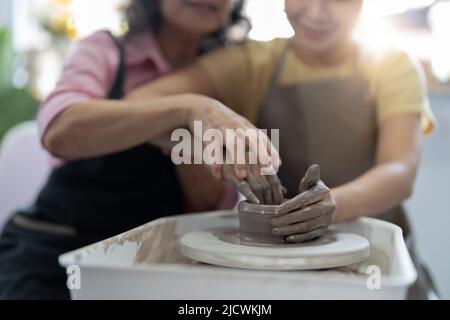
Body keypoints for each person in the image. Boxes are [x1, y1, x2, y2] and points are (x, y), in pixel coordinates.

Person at [126, 0, 437, 299]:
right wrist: (204, 120)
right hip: (283, 270)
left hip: (375, 264)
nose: (317, 12)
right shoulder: (254, 62)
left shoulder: (391, 66)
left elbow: (399, 171)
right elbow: (137, 106)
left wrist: (334, 205)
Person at [0, 0, 284, 300]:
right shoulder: (106, 51)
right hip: (54, 254)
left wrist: (198, 145)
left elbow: (203, 209)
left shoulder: (233, 75)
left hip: (148, 268)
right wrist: (189, 107)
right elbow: (59, 131)